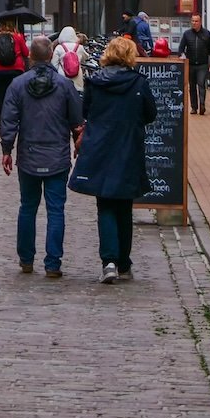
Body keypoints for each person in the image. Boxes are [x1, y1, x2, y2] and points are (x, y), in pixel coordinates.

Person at [69, 34, 157, 283]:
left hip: (100, 148)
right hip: (128, 149)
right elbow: (151, 114)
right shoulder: (139, 83)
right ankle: (124, 263)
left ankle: (108, 261)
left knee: (105, 204)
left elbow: (86, 111)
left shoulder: (95, 82)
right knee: (123, 207)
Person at [0, 36, 83, 279]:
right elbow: (77, 121)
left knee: (28, 207)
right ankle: (53, 263)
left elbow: (8, 121)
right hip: (57, 156)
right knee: (56, 210)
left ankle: (26, 259)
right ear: (50, 56)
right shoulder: (65, 85)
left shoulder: (17, 85)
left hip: (29, 156)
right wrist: (77, 142)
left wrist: (7, 149)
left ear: (30, 57)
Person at [0, 18, 28, 122]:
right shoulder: (18, 37)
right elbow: (26, 53)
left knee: (0, 98)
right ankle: (15, 121)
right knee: (16, 97)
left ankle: (2, 124)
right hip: (16, 71)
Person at [179, 12, 210, 114]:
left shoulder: (206, 34)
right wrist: (182, 55)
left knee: (201, 84)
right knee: (192, 86)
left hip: (202, 64)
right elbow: (181, 48)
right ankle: (194, 107)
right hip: (190, 64)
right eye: (192, 21)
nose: (194, 23)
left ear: (200, 22)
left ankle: (202, 104)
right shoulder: (187, 34)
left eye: (196, 21)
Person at [52, 25, 88, 90]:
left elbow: (54, 65)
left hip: (62, 76)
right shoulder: (79, 47)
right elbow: (86, 57)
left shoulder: (59, 47)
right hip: (77, 77)